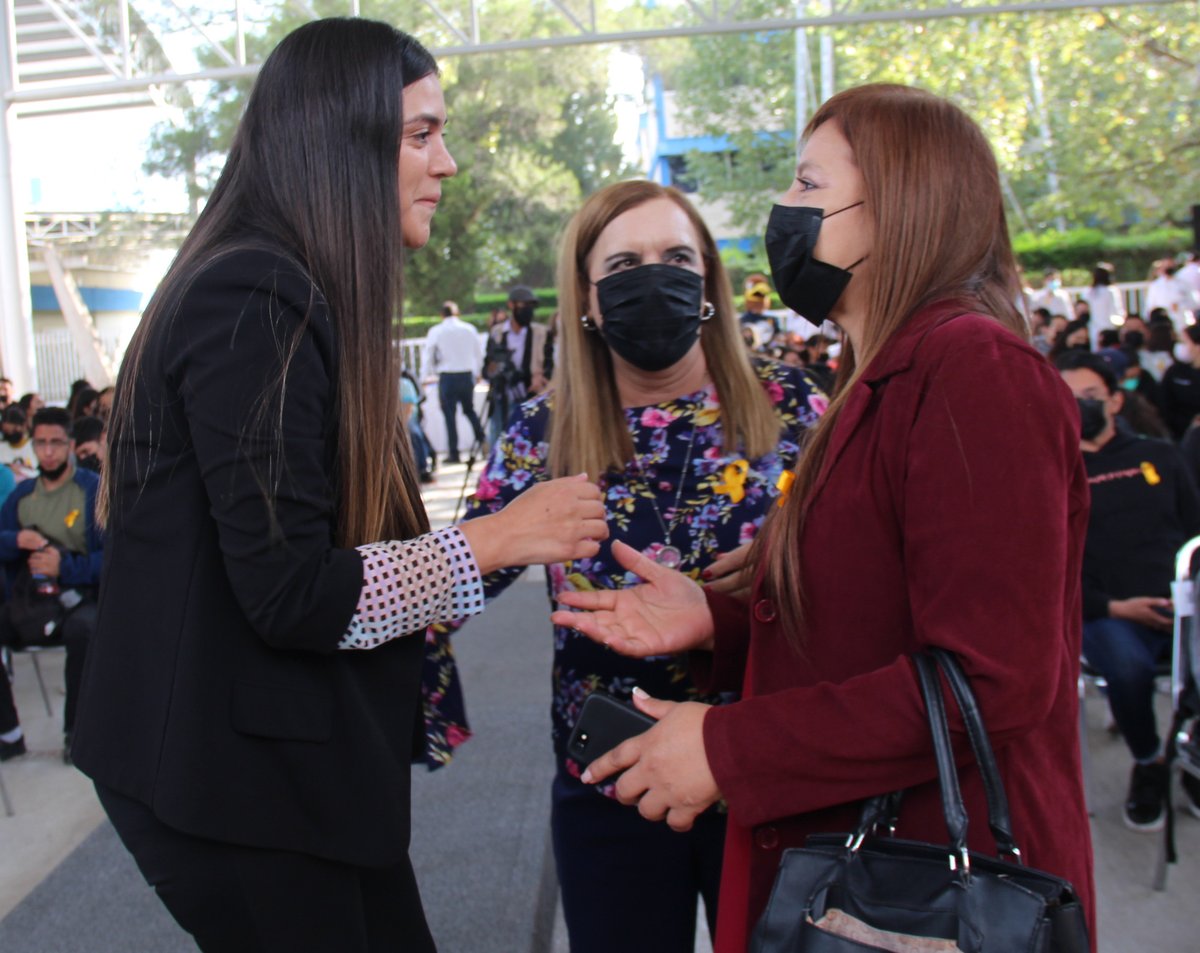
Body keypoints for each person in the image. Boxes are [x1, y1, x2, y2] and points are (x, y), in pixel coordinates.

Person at [69, 20, 607, 953]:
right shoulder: (255, 296)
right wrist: (495, 538)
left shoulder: (290, 290)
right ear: (337, 140)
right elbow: (290, 592)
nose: (446, 162)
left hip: (286, 773)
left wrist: (503, 542)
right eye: (420, 134)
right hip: (234, 784)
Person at [553, 83, 1096, 950]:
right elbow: (873, 618)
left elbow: (991, 680)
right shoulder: (876, 377)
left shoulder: (973, 372)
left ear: (898, 203)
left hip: (927, 894)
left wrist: (731, 749)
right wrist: (721, 622)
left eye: (808, 185)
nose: (784, 210)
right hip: (860, 874)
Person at [433, 180, 824, 953]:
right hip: (610, 778)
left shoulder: (796, 408)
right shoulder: (540, 433)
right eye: (625, 263)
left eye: (677, 257)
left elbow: (859, 591)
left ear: (708, 280)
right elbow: (458, 578)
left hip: (766, 770)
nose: (655, 276)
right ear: (586, 296)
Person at [1056, 349, 1200, 829]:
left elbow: (1194, 531)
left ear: (1116, 401)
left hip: (1182, 609)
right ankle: (1149, 761)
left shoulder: (1158, 456)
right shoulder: (1050, 477)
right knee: (1128, 668)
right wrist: (1113, 607)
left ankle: (1192, 744)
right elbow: (1051, 569)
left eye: (1091, 396)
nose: (1082, 406)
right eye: (1069, 398)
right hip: (1107, 614)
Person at [0, 407, 102, 763]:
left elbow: (115, 559)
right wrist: (16, 541)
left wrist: (66, 567)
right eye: (40, 443)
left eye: (55, 443)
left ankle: (78, 732)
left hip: (81, 598)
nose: (47, 452)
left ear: (70, 445)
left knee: (84, 631)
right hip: (32, 600)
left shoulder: (91, 490)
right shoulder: (23, 495)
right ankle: (8, 732)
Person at [483, 285, 549, 443]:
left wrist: (541, 377)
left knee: (532, 444)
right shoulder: (497, 333)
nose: (527, 310)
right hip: (502, 397)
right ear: (511, 305)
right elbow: (487, 367)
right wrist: (495, 369)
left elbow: (550, 364)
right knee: (499, 443)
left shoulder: (541, 333)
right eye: (523, 305)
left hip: (531, 397)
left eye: (531, 306)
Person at [422, 299, 485, 463]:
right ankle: (483, 442)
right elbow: (478, 353)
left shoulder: (436, 330)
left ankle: (454, 453)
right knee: (469, 411)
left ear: (441, 314)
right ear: (457, 313)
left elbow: (428, 355)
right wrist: (479, 373)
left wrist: (424, 376)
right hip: (466, 375)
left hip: (447, 376)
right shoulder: (469, 329)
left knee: (449, 416)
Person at [1161, 323, 1200, 440]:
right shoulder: (1174, 372)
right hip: (1180, 437)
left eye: (1184, 342)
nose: (1179, 347)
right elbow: (1165, 404)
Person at [1085, 262, 1125, 344]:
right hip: (1109, 327)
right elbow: (1116, 310)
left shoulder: (1088, 291)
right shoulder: (1111, 291)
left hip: (1093, 329)